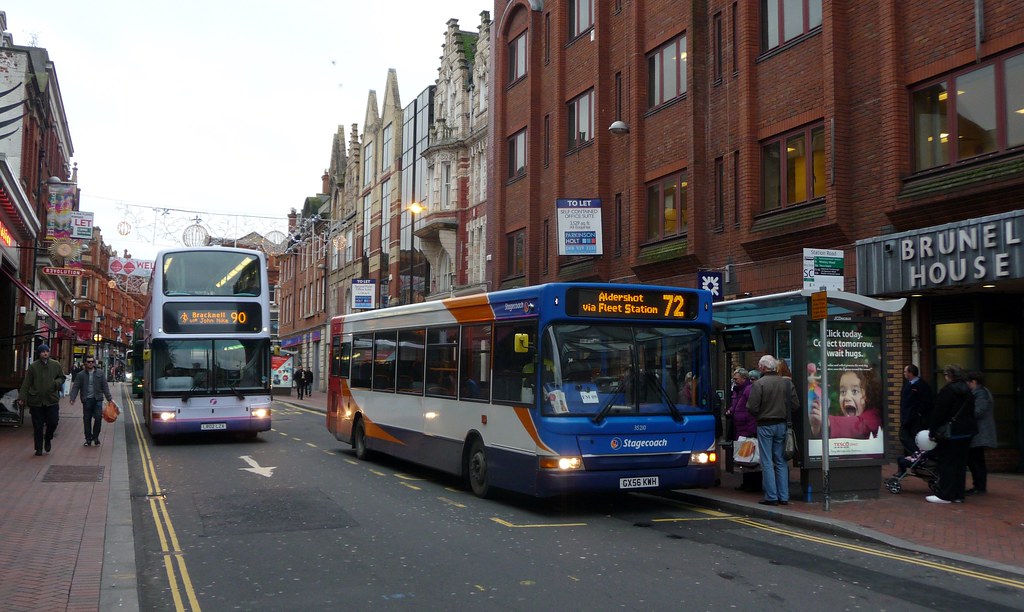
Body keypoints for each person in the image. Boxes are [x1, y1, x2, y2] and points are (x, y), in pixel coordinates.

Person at [746, 355, 799, 506]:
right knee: (781, 460)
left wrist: (761, 414)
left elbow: (751, 407)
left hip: (765, 424)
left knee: (767, 461)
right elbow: (795, 405)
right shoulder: (787, 384)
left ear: (762, 368)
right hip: (782, 424)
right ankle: (784, 496)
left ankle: (771, 496)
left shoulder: (759, 384)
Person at [926, 364, 977, 504]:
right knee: (960, 464)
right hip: (967, 432)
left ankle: (945, 495)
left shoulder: (947, 391)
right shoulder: (968, 391)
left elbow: (939, 413)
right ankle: (958, 494)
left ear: (950, 376)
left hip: (951, 433)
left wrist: (933, 431)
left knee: (947, 463)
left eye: (946, 375)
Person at [18, 344, 66, 456]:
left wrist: (56, 383)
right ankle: (38, 448)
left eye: (47, 351)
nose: (45, 353)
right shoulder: (33, 366)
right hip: (36, 400)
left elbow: (62, 377)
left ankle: (48, 438)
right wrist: (21, 397)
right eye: (42, 351)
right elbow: (27, 383)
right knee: (37, 426)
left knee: (53, 422)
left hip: (51, 400)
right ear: (39, 354)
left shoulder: (55, 364)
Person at [809, 369, 882, 440]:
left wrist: (827, 421)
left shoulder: (874, 416)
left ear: (868, 395)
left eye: (855, 391)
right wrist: (817, 428)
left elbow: (858, 425)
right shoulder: (841, 419)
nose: (847, 397)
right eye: (843, 392)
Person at [726, 367, 760, 492]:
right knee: (744, 458)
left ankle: (754, 484)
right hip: (740, 428)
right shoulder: (737, 390)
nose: (734, 381)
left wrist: (752, 429)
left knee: (752, 457)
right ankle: (747, 483)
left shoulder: (748, 389)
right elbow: (736, 406)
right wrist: (731, 410)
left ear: (743, 378)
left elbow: (750, 410)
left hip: (747, 428)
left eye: (736, 378)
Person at [69, 355, 113, 446]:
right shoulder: (80, 375)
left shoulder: (100, 373)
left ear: (94, 363)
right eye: (88, 362)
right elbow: (76, 387)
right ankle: (88, 439)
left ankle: (95, 437)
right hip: (86, 400)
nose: (90, 363)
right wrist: (72, 398)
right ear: (85, 363)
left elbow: (105, 387)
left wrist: (109, 399)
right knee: (87, 419)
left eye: (92, 362)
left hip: (98, 399)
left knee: (98, 418)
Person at [965, 371, 996, 496]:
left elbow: (979, 412)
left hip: (980, 432)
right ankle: (978, 485)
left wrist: (965, 415)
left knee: (976, 460)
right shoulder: (981, 392)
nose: (967, 385)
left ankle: (979, 486)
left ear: (973, 382)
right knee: (976, 460)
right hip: (978, 432)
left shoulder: (981, 393)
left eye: (968, 382)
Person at [900, 364, 934, 454]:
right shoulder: (907, 384)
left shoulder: (922, 386)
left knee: (914, 438)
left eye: (905, 372)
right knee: (904, 437)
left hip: (916, 419)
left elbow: (926, 402)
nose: (904, 373)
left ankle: (917, 455)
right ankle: (909, 457)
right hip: (906, 418)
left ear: (910, 373)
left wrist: (918, 413)